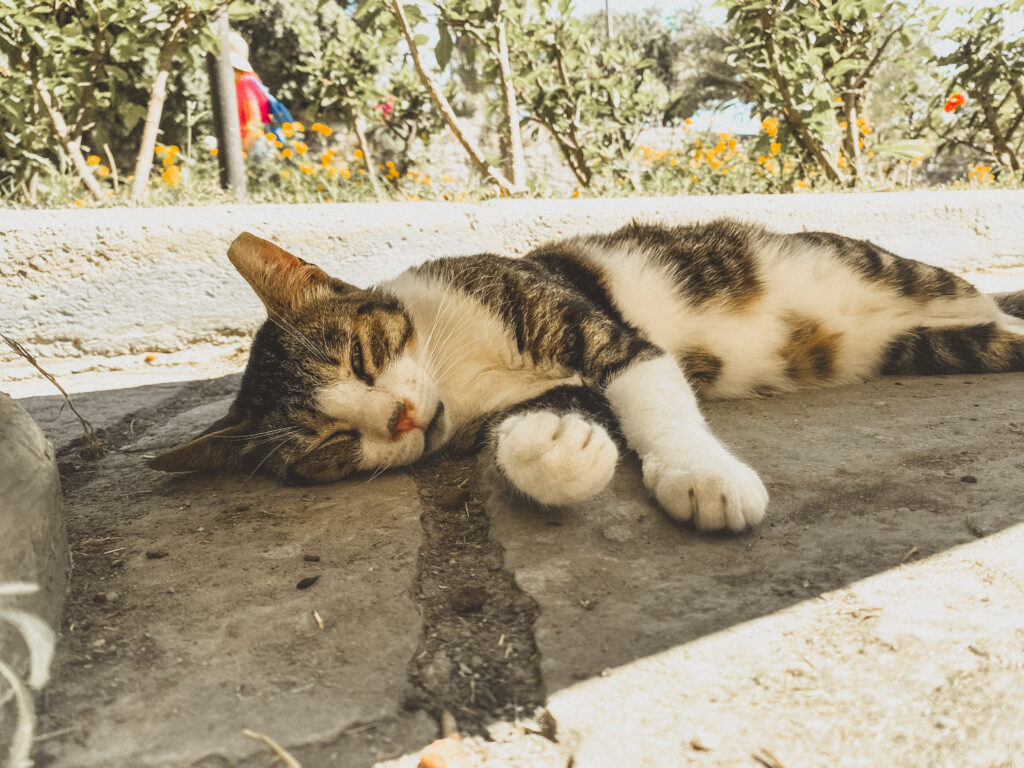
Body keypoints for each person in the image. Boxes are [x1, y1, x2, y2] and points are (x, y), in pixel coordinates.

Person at [229, 32, 273, 158]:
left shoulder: (245, 82)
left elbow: (255, 122)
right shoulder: (246, 81)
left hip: (255, 148)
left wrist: (243, 151)